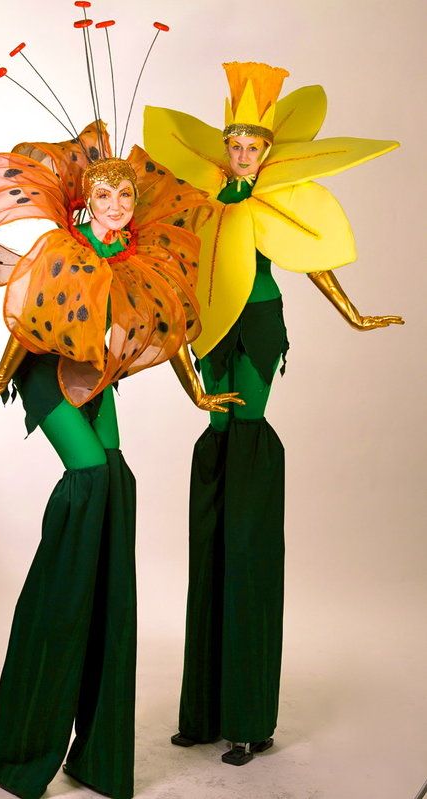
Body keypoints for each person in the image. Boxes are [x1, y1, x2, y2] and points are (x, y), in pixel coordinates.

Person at [0, 120, 241, 799]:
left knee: (119, 483)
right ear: (86, 202)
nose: (117, 210)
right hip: (49, 377)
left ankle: (100, 743)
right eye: (106, 200)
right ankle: (36, 696)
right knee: (90, 481)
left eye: (125, 201)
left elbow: (164, 325)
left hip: (96, 378)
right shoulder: (64, 248)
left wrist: (198, 391)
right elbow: (27, 324)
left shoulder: (136, 257)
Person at [144, 60, 404, 765]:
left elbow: (311, 254)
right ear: (222, 145)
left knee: (247, 459)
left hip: (256, 328)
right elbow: (171, 254)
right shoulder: (200, 194)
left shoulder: (278, 200)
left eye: (252, 144)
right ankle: (203, 706)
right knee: (216, 453)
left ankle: (249, 717)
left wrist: (352, 313)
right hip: (212, 328)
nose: (241, 152)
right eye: (233, 141)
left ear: (269, 151)